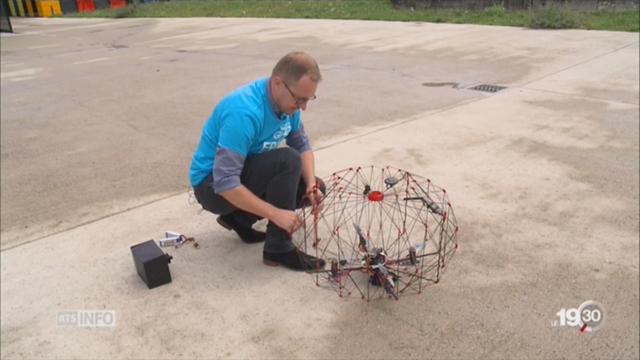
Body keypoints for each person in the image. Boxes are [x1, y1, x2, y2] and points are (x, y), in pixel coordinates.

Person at [190, 52, 326, 271]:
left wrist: (311, 183)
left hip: (241, 175)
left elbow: (301, 144)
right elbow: (225, 181)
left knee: (308, 185)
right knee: (287, 161)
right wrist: (275, 214)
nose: (303, 107)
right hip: (211, 186)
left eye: (308, 100)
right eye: (299, 99)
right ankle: (278, 248)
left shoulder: (287, 105)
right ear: (278, 83)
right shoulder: (243, 112)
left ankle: (238, 219)